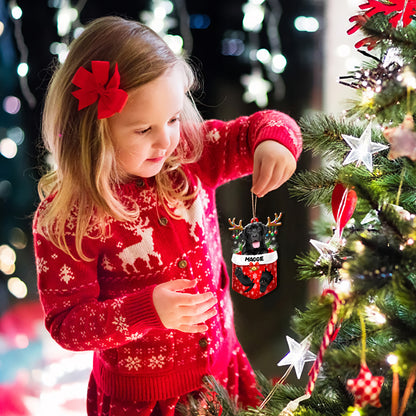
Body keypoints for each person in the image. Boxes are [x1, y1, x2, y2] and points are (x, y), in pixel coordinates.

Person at [33, 16, 302, 416]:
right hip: (145, 400)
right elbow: (67, 325)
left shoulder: (190, 156)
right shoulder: (68, 217)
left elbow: (258, 129)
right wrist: (147, 310)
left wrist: (275, 142)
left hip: (221, 369)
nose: (166, 140)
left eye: (174, 118)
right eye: (143, 130)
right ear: (92, 131)